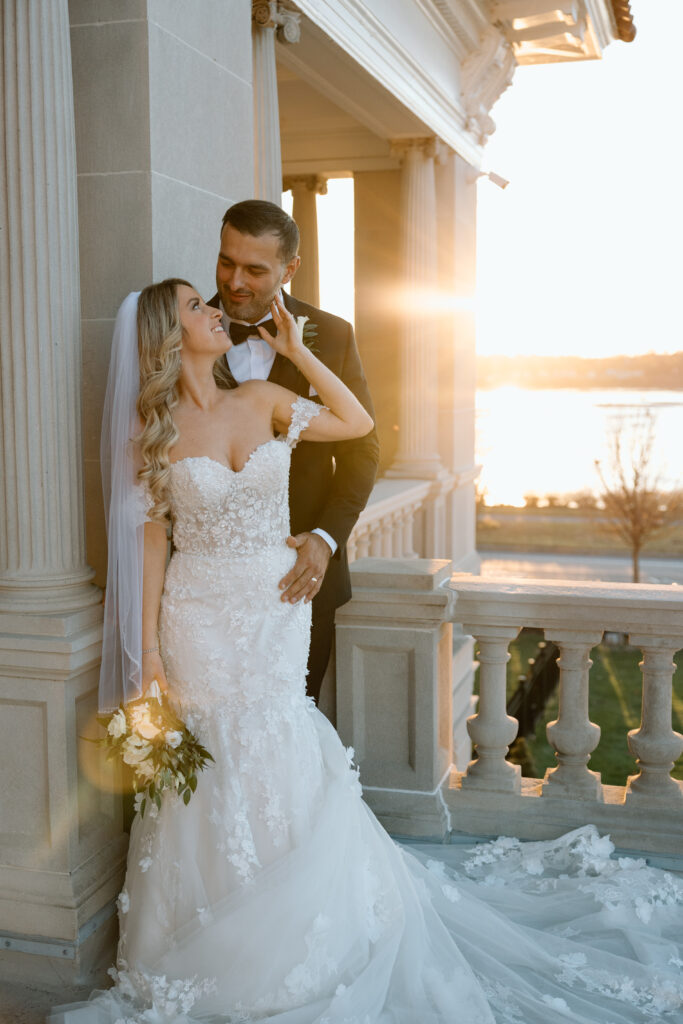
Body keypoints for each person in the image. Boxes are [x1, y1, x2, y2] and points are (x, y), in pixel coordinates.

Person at [51, 281, 683, 1024]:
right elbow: (153, 535)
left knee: (277, 739)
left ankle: (296, 932)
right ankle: (200, 934)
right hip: (196, 616)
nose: (215, 311)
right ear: (166, 333)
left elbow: (357, 423)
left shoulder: (261, 399)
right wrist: (150, 649)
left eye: (209, 303)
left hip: (273, 604)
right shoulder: (151, 429)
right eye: (196, 307)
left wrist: (295, 355)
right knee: (213, 758)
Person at [208, 200, 379, 705]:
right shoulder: (185, 328)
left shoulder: (332, 335)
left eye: (255, 270)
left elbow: (362, 449)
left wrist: (326, 539)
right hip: (208, 577)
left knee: (291, 722)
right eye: (226, 262)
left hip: (298, 575)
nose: (235, 281)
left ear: (290, 269)